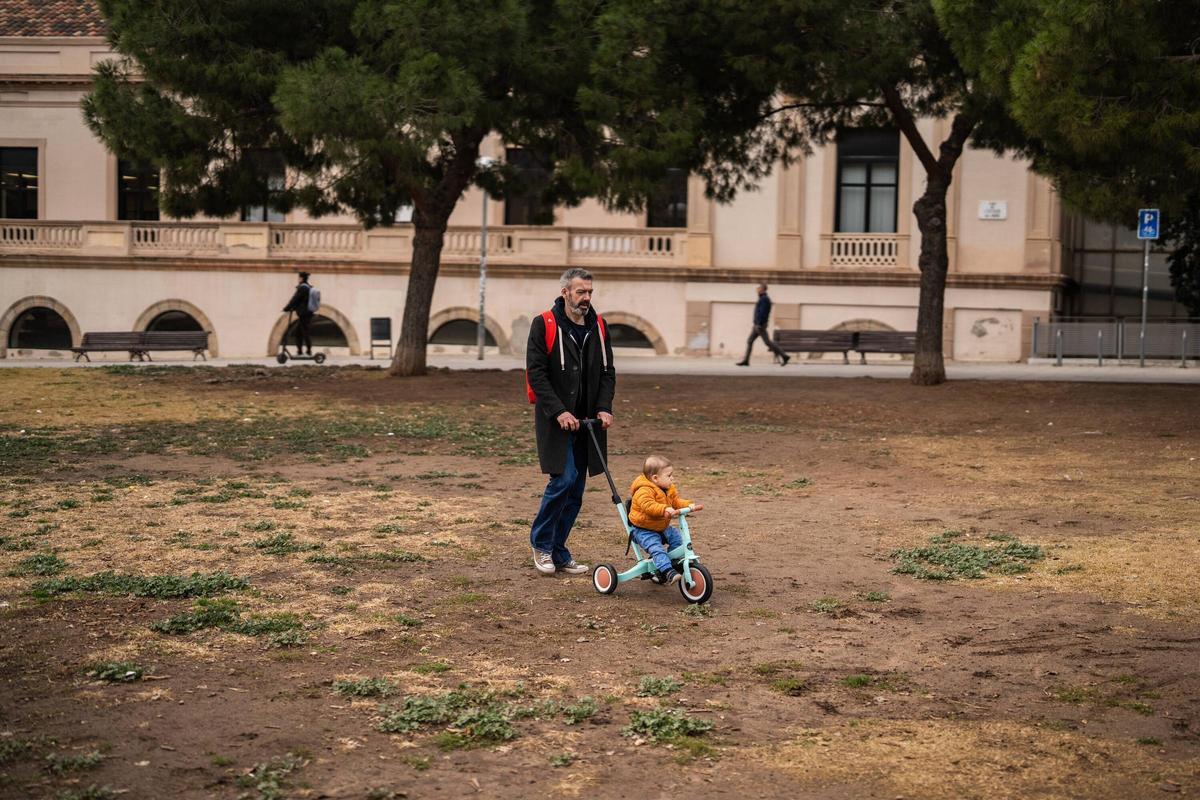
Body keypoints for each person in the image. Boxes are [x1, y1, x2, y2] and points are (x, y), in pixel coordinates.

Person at [526, 268, 616, 575]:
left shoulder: (599, 327)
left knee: (576, 490)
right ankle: (541, 544)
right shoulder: (544, 324)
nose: (587, 298)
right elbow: (536, 374)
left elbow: (607, 372)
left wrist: (604, 407)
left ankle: (559, 550)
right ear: (565, 292)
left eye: (590, 292)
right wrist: (559, 411)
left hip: (588, 422)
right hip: (557, 420)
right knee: (562, 480)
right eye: (581, 292)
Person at [627, 455, 704, 585]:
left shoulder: (668, 488)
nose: (672, 478)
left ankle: (673, 562)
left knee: (678, 540)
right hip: (643, 530)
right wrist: (664, 509)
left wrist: (687, 504)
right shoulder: (643, 490)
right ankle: (667, 571)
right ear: (655, 478)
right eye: (669, 476)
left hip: (661, 527)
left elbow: (675, 501)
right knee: (657, 549)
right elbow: (648, 506)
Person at [736, 283, 789, 366]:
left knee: (768, 342)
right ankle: (746, 360)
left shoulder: (764, 299)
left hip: (759, 325)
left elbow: (763, 313)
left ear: (762, 289)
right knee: (750, 341)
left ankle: (784, 355)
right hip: (757, 325)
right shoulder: (762, 298)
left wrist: (759, 324)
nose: (756, 289)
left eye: (758, 288)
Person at [283, 271, 315, 355]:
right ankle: (302, 351)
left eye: (299, 277)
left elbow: (295, 299)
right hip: (306, 314)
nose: (298, 279)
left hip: (304, 314)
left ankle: (307, 351)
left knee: (303, 332)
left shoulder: (303, 288)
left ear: (301, 278)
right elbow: (300, 300)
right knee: (300, 332)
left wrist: (287, 308)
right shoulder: (308, 287)